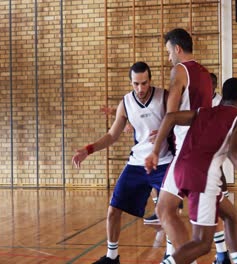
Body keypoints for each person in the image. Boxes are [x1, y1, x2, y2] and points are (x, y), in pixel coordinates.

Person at [145, 77, 237, 264]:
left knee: (230, 215)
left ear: (223, 97)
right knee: (202, 243)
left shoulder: (203, 112)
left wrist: (155, 151)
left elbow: (170, 117)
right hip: (202, 176)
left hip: (179, 168)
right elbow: (233, 153)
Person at [72, 62, 173, 264]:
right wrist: (88, 149)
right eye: (136, 84)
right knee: (113, 209)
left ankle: (170, 254)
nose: (141, 89)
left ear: (150, 80)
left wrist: (165, 130)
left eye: (144, 83)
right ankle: (112, 256)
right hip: (137, 163)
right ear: (131, 83)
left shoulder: (165, 97)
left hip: (164, 162)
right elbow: (112, 135)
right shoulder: (126, 102)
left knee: (168, 213)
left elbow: (179, 122)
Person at [160, 27, 214, 259]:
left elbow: (171, 113)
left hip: (187, 150)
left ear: (177, 48)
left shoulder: (179, 70)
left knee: (165, 209)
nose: (168, 57)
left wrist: (157, 140)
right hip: (204, 148)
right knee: (169, 208)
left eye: (169, 52)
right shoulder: (205, 73)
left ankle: (183, 259)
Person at [210, 72, 233, 264]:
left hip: (216, 145)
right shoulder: (198, 101)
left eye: (213, 84)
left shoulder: (220, 102)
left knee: (218, 175)